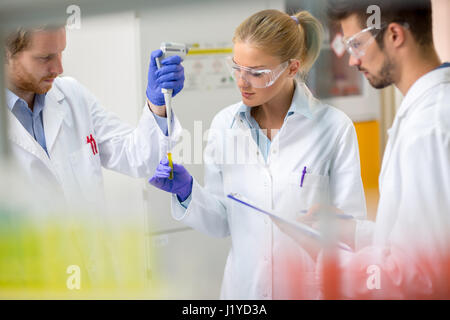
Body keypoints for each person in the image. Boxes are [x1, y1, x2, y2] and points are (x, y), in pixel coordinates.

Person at [149, 9, 367, 299]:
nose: (242, 81)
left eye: (256, 72)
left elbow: (350, 230)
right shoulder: (224, 126)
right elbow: (222, 222)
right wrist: (187, 192)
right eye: (237, 67)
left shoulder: (335, 129)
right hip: (244, 293)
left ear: (292, 68)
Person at [292, 0, 450, 299]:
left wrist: (328, 260)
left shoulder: (427, 128)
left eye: (356, 45)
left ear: (394, 35)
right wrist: (352, 233)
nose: (352, 60)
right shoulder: (428, 110)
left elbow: (418, 276)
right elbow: (421, 239)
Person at [3, 25, 184, 209]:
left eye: (61, 53)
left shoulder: (72, 95)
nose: (58, 68)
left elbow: (137, 156)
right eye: (45, 58)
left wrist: (157, 104)